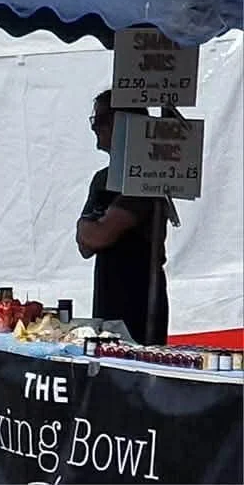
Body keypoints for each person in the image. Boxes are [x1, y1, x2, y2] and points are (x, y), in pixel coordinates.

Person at [78, 91, 174, 344]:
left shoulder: (146, 180)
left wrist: (92, 225)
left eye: (100, 121)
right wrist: (94, 228)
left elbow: (97, 236)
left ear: (122, 123)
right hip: (108, 293)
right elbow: (85, 246)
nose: (95, 128)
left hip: (139, 299)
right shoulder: (102, 179)